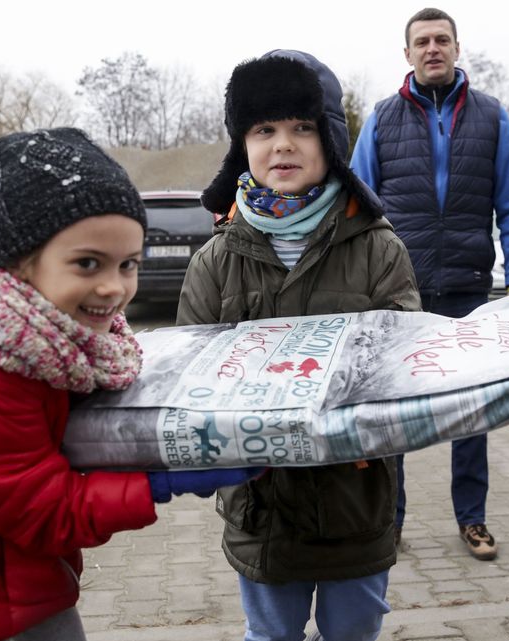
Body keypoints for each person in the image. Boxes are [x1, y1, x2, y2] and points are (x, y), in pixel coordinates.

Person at [0, 127, 258, 641]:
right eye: (87, 264)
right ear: (19, 260)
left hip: (16, 584)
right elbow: (44, 512)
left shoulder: (42, 342)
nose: (114, 287)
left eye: (128, 265)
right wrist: (156, 482)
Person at [178, 50, 421, 641]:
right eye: (264, 129)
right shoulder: (215, 260)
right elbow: (188, 377)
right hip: (261, 505)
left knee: (354, 630)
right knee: (270, 633)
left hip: (355, 498)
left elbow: (403, 361)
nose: (283, 144)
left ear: (330, 139)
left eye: (301, 127)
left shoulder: (379, 248)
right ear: (242, 144)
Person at [349, 6, 509, 561]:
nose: (433, 48)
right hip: (398, 291)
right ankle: (390, 521)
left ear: (456, 48)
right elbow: (357, 207)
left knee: (471, 412)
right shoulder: (382, 119)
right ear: (407, 54)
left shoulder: (492, 117)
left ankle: (472, 519)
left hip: (467, 287)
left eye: (442, 40)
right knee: (395, 414)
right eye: (423, 41)